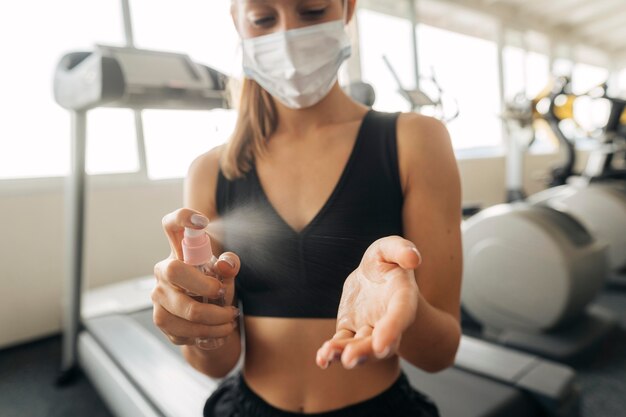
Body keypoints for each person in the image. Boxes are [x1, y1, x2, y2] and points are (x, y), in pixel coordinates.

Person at [152, 0, 462, 415]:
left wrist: (404, 309)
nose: (287, 36)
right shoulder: (210, 171)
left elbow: (439, 354)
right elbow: (216, 363)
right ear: (237, 22)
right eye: (264, 19)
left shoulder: (416, 141)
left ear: (347, 9)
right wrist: (198, 323)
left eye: (312, 11)